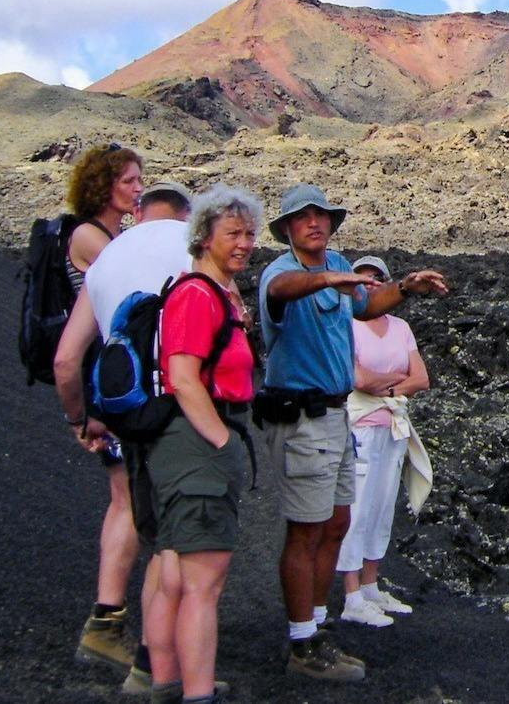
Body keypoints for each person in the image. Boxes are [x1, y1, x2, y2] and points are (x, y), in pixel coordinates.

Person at [256, 184, 447, 682]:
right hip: (301, 416)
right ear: (287, 229)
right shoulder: (280, 273)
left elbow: (364, 305)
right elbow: (281, 292)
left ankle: (318, 627)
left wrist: (404, 288)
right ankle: (302, 642)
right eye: (303, 217)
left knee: (336, 522)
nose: (315, 223)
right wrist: (325, 280)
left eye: (322, 215)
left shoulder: (337, 262)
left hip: (337, 415)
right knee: (306, 528)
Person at [55, 181, 194, 694]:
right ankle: (154, 666)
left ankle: (113, 630)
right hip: (180, 414)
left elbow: (67, 359)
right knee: (175, 542)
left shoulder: (110, 258)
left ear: (139, 211)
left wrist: (79, 420)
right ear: (188, 213)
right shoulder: (193, 250)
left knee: (140, 518)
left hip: (124, 414)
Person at [147, 185, 261, 704]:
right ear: (204, 237)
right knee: (202, 585)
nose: (245, 243)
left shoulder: (212, 293)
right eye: (233, 234)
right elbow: (183, 377)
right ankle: (196, 694)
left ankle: (169, 682)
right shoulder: (197, 295)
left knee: (175, 571)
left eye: (251, 233)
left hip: (186, 448)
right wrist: (220, 440)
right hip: (198, 446)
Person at [60, 143, 145, 669]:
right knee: (127, 499)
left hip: (106, 381)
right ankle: (105, 621)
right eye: (131, 180)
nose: (139, 188)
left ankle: (112, 618)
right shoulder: (92, 238)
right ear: (105, 185)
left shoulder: (110, 236)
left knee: (129, 495)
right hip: (103, 386)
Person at [336, 255, 433, 628]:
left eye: (376, 279)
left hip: (393, 425)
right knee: (356, 508)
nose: (369, 284)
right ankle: (351, 595)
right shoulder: (346, 325)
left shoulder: (401, 327)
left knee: (381, 506)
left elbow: (421, 378)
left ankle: (371, 584)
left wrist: (385, 384)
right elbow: (358, 379)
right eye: (361, 279)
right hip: (360, 425)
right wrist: (395, 381)